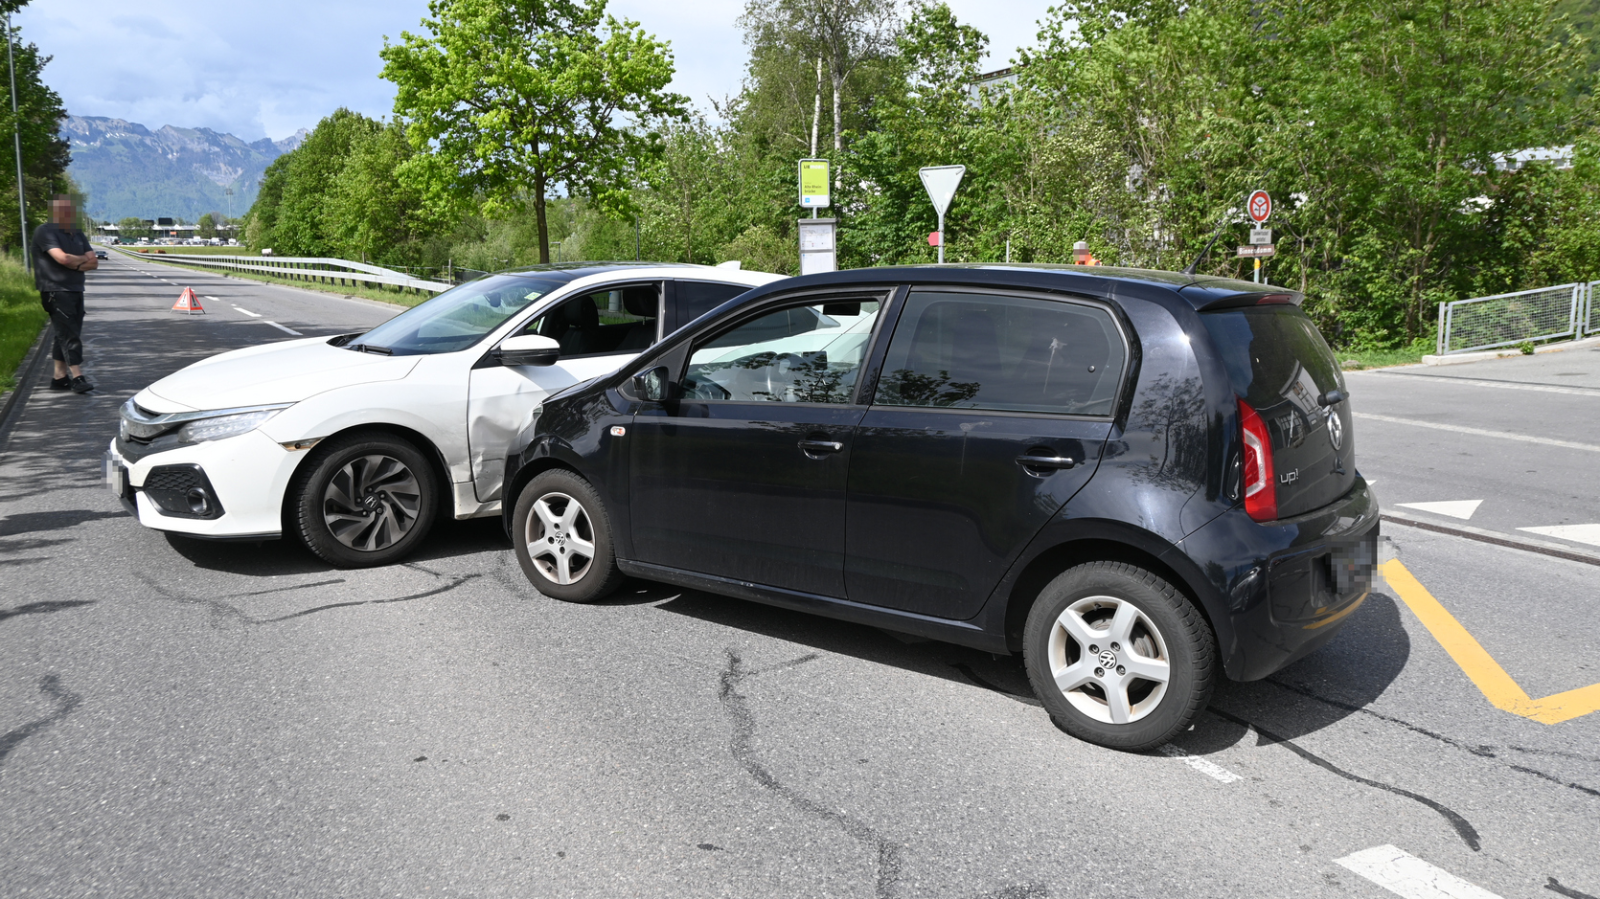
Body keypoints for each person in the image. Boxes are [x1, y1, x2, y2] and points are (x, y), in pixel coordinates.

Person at [33, 194, 98, 393]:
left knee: (66, 333)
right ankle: (77, 377)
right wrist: (80, 263)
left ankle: (59, 378)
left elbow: (94, 261)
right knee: (69, 334)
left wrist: (75, 264)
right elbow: (62, 259)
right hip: (55, 290)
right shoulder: (45, 232)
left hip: (76, 289)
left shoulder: (77, 233)